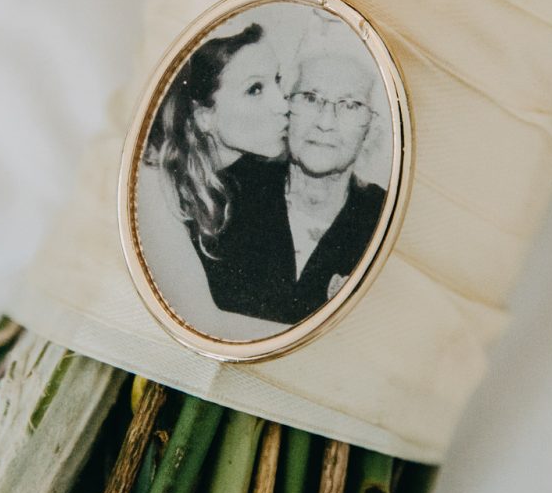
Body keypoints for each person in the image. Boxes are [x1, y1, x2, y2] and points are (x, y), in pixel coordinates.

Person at [200, 18, 387, 325]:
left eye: (350, 105)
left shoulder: (384, 220)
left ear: (372, 127)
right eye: (310, 98)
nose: (325, 122)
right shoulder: (221, 194)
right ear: (287, 106)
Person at [142, 22, 290, 316]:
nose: (282, 105)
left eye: (277, 80)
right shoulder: (154, 180)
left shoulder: (265, 172)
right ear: (204, 117)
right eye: (255, 89)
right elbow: (200, 319)